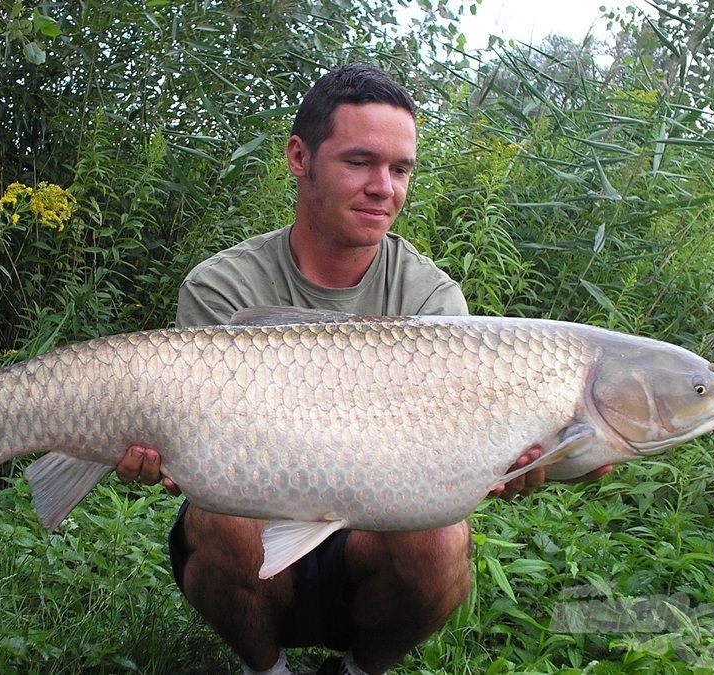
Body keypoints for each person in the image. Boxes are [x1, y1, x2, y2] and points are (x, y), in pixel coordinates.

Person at [114, 63, 610, 675]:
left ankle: (359, 669)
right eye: (360, 162)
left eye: (401, 169)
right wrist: (161, 447)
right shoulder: (224, 287)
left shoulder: (433, 303)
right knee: (219, 520)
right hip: (260, 508)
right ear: (300, 157)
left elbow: (453, 451)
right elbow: (201, 441)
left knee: (443, 540)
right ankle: (264, 669)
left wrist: (527, 461)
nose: (385, 187)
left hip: (381, 525)